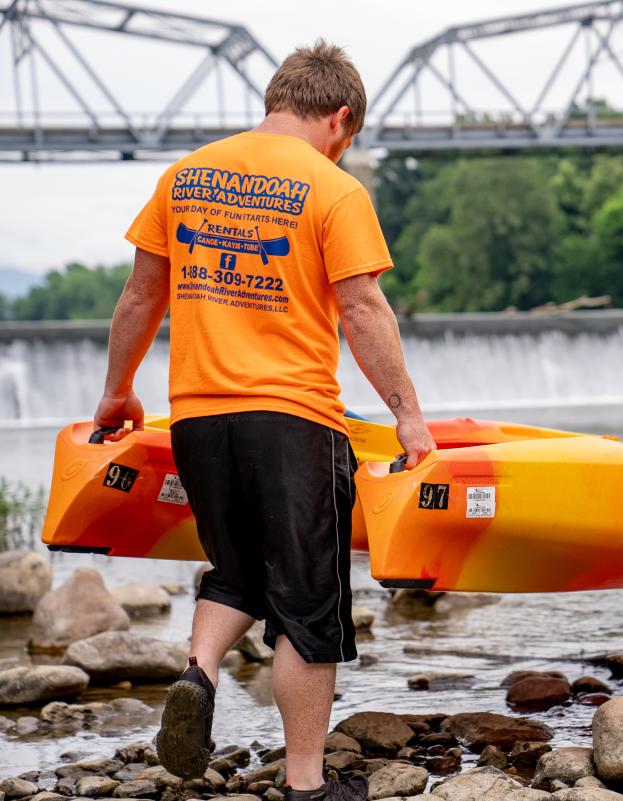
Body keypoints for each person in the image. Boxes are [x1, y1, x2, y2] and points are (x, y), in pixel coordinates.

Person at [93, 41, 435, 801]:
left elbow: (142, 296)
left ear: (278, 97)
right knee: (310, 606)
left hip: (199, 418)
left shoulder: (185, 175)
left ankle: (199, 671)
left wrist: (117, 391)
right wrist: (410, 418)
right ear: (340, 117)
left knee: (239, 571)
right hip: (293, 418)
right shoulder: (333, 187)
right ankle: (308, 783)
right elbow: (362, 308)